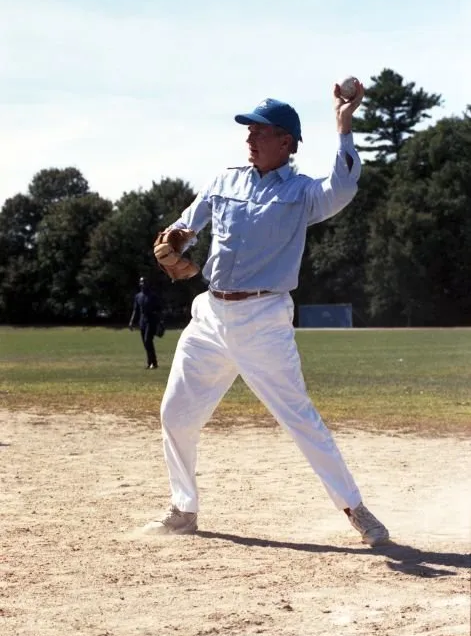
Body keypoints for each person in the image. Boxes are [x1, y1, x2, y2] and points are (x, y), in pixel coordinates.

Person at [146, 83, 390, 546]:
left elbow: (344, 185)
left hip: (264, 319)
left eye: (260, 132)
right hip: (211, 316)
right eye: (249, 131)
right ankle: (183, 509)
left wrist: (343, 123)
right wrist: (174, 240)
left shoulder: (303, 193)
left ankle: (355, 508)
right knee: (176, 414)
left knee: (299, 419)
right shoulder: (225, 179)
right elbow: (185, 224)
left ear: (288, 142)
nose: (250, 139)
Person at [128, 277, 162, 369]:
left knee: (148, 341)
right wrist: (131, 321)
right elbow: (135, 310)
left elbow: (159, 310)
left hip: (151, 321)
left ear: (147, 284)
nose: (142, 284)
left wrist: (159, 322)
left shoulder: (153, 296)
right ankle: (151, 362)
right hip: (142, 322)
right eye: (141, 282)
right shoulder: (138, 296)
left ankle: (153, 362)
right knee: (145, 342)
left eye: (144, 282)